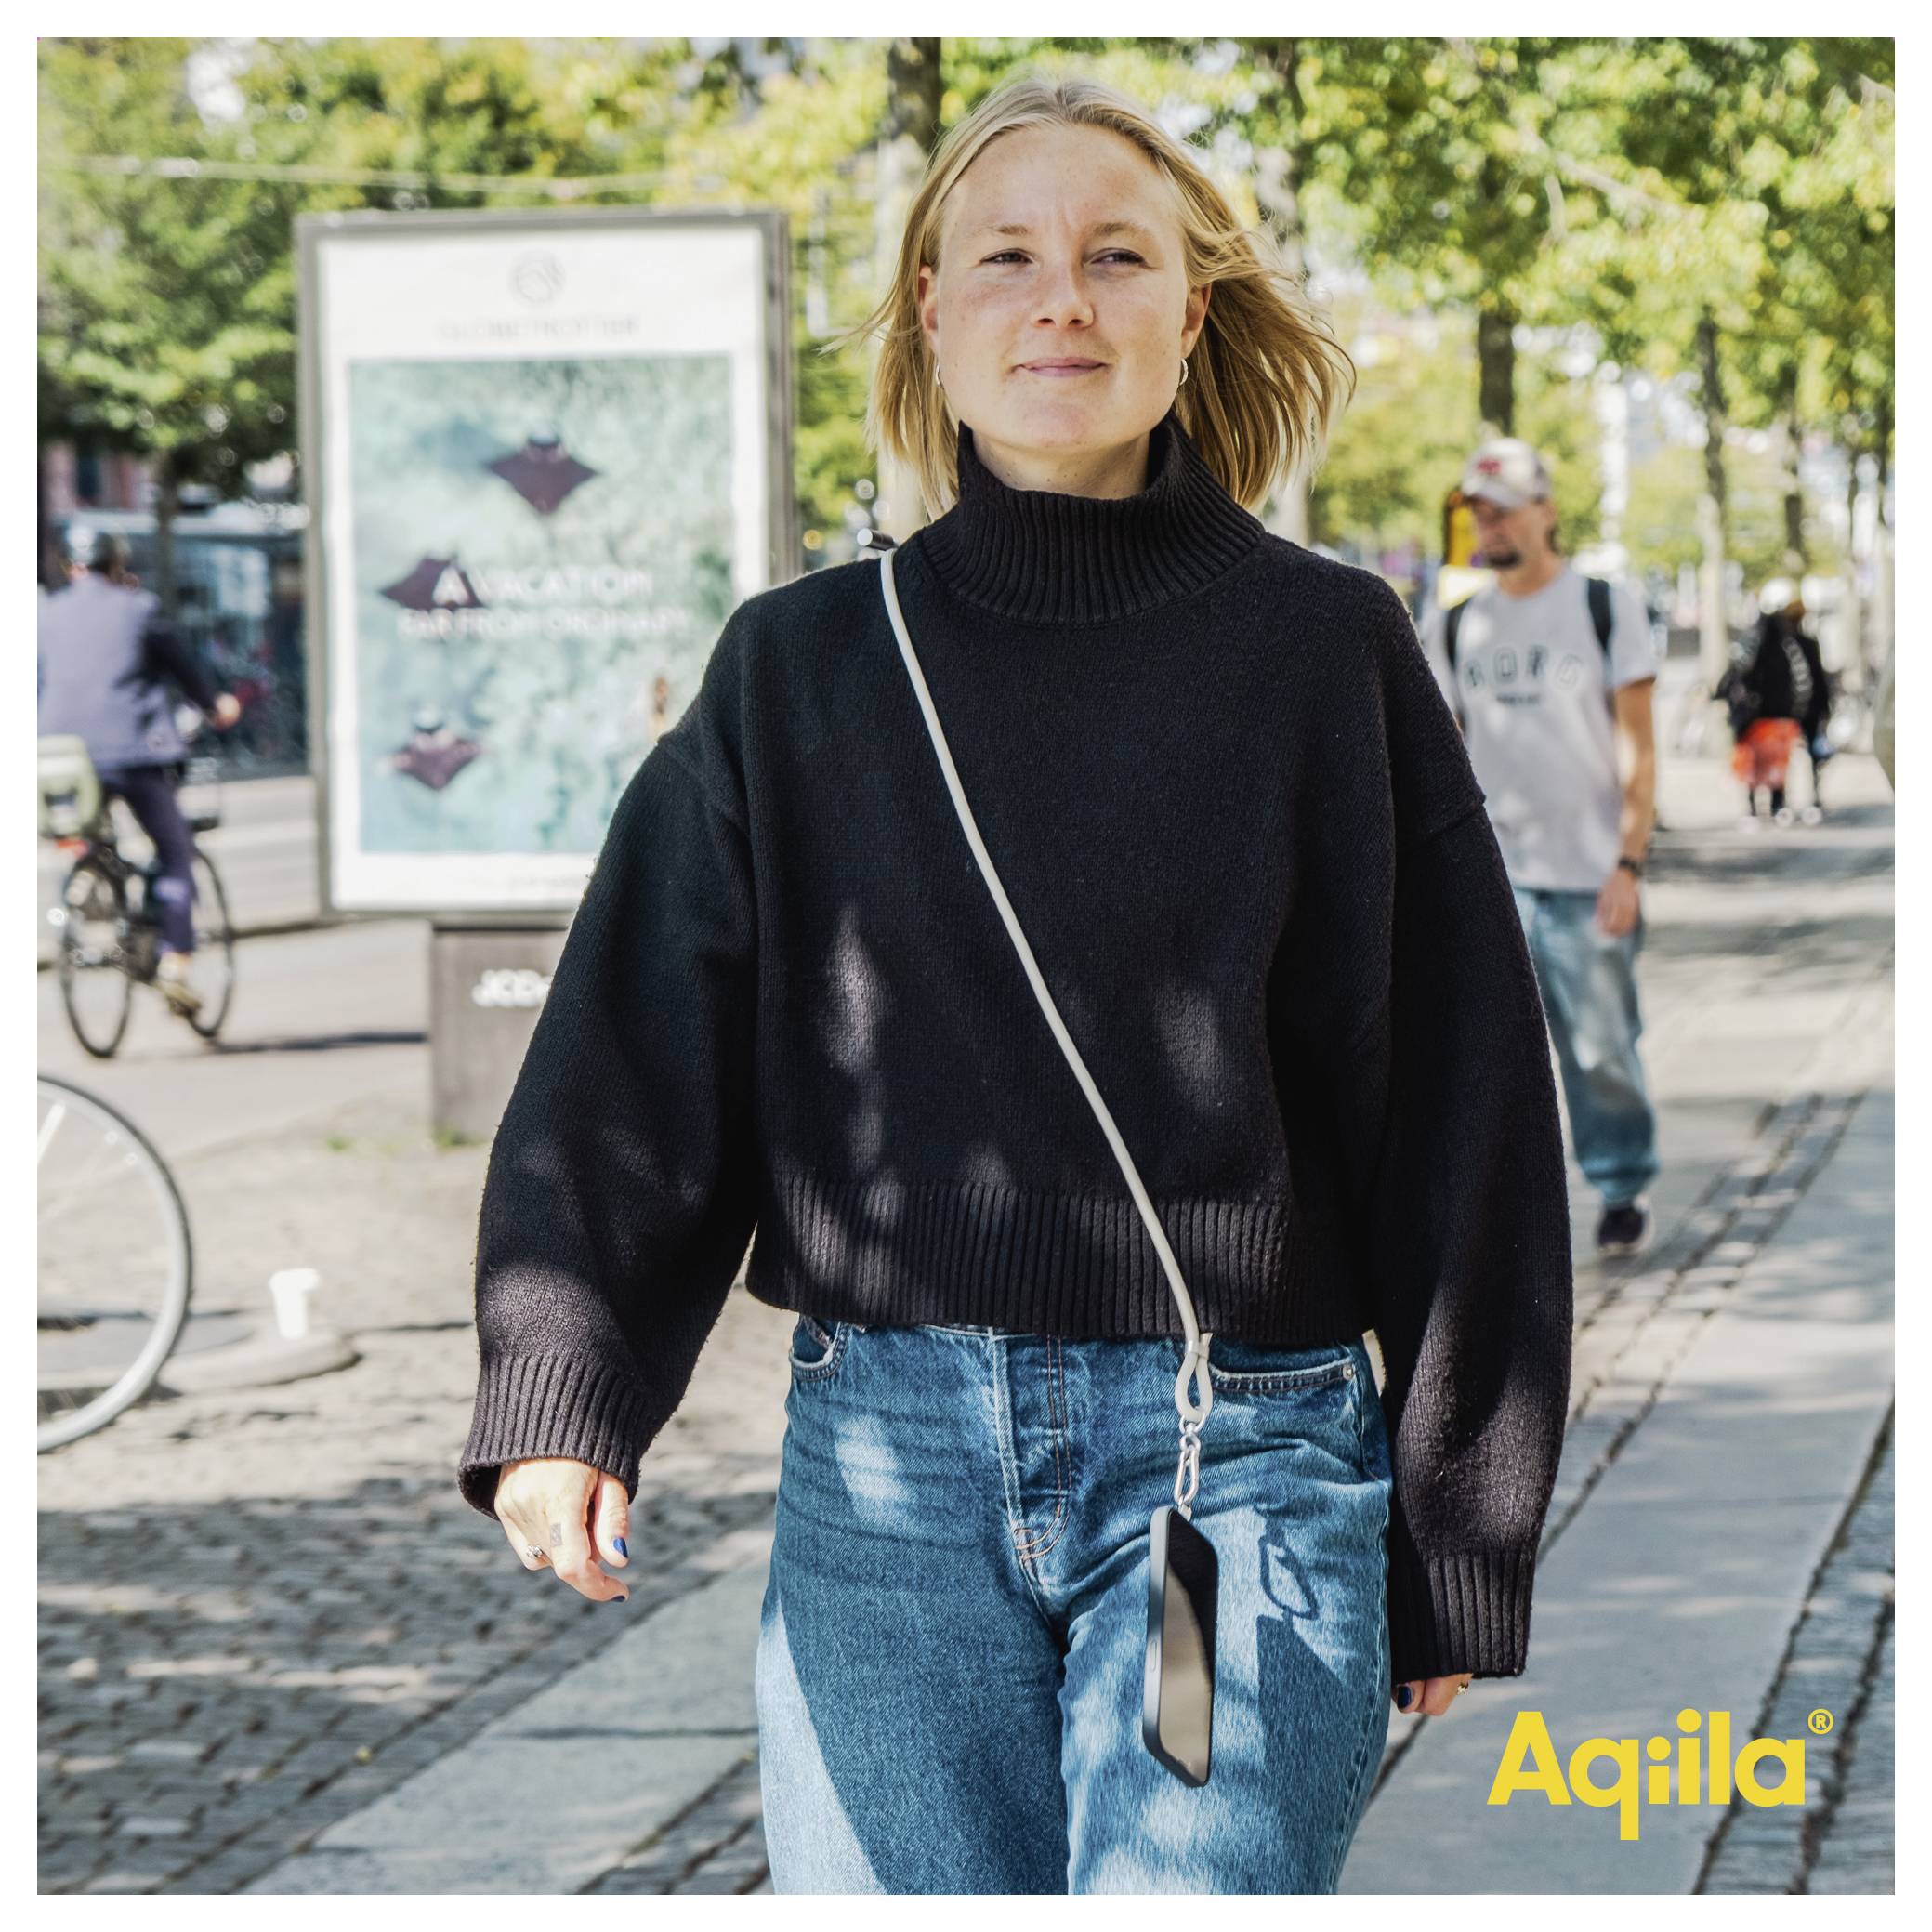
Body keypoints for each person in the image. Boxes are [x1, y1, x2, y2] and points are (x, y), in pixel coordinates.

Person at [457, 75, 1573, 1895]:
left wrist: (1461, 1516)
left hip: (1230, 1477)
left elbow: (1458, 1098)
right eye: (1006, 258)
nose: (1061, 298)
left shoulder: (1322, 649)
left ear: (1189, 311)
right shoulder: (798, 666)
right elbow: (633, 1054)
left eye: (1115, 256)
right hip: (883, 1482)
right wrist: (560, 1378)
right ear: (931, 308)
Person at [1420, 439, 1663, 1257]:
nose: (1487, 525)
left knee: (1600, 1052)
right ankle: (1506, 1217)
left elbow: (1638, 747)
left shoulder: (1601, 605)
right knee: (1487, 1059)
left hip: (1589, 875)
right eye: (1477, 512)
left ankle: (1621, 1184)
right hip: (1493, 882)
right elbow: (1442, 755)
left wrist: (1628, 861)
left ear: (1545, 511)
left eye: (1501, 510)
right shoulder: (1456, 622)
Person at [36, 522, 242, 1016]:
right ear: (116, 564)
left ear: (70, 567)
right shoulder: (139, 608)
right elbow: (184, 669)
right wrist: (215, 705)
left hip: (61, 755)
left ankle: (89, 872)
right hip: (134, 751)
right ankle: (175, 963)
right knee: (174, 851)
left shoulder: (42, 615)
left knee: (87, 825)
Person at [1720, 577, 1833, 825]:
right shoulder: (1768, 641)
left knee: (1775, 761)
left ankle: (1774, 804)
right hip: (1769, 714)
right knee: (1763, 761)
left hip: (1779, 714)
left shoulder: (1793, 643)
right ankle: (1767, 805)